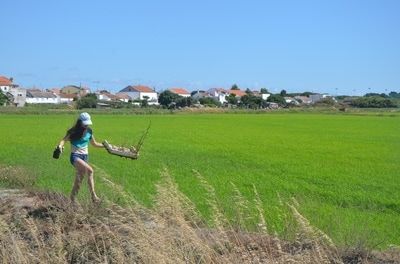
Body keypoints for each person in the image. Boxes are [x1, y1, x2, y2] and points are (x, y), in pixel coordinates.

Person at [57, 112, 105, 204]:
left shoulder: (89, 131)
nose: (86, 125)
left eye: (87, 123)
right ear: (80, 122)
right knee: (90, 171)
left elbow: (94, 144)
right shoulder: (73, 131)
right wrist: (60, 146)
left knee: (78, 182)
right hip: (75, 156)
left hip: (85, 157)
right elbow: (64, 140)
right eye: (85, 123)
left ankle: (71, 201)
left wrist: (105, 146)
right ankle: (94, 196)